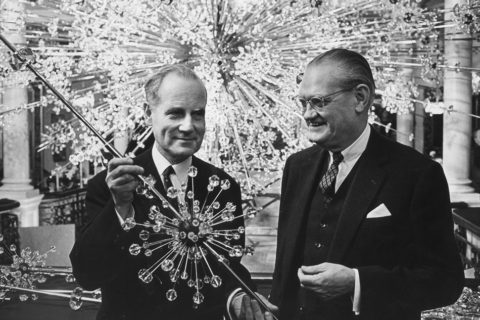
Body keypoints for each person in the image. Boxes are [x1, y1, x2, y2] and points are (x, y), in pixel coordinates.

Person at [232, 49, 464, 320]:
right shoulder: (297, 166)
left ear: (360, 98)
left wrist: (357, 282)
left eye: (318, 102)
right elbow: (287, 264)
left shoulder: (417, 174)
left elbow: (445, 281)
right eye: (303, 103)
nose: (308, 115)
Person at [70, 65, 254, 320]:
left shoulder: (222, 185)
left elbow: (226, 265)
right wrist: (121, 208)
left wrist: (238, 296)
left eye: (197, 114)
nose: (189, 126)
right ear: (149, 113)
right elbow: (87, 274)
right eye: (176, 113)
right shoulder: (108, 185)